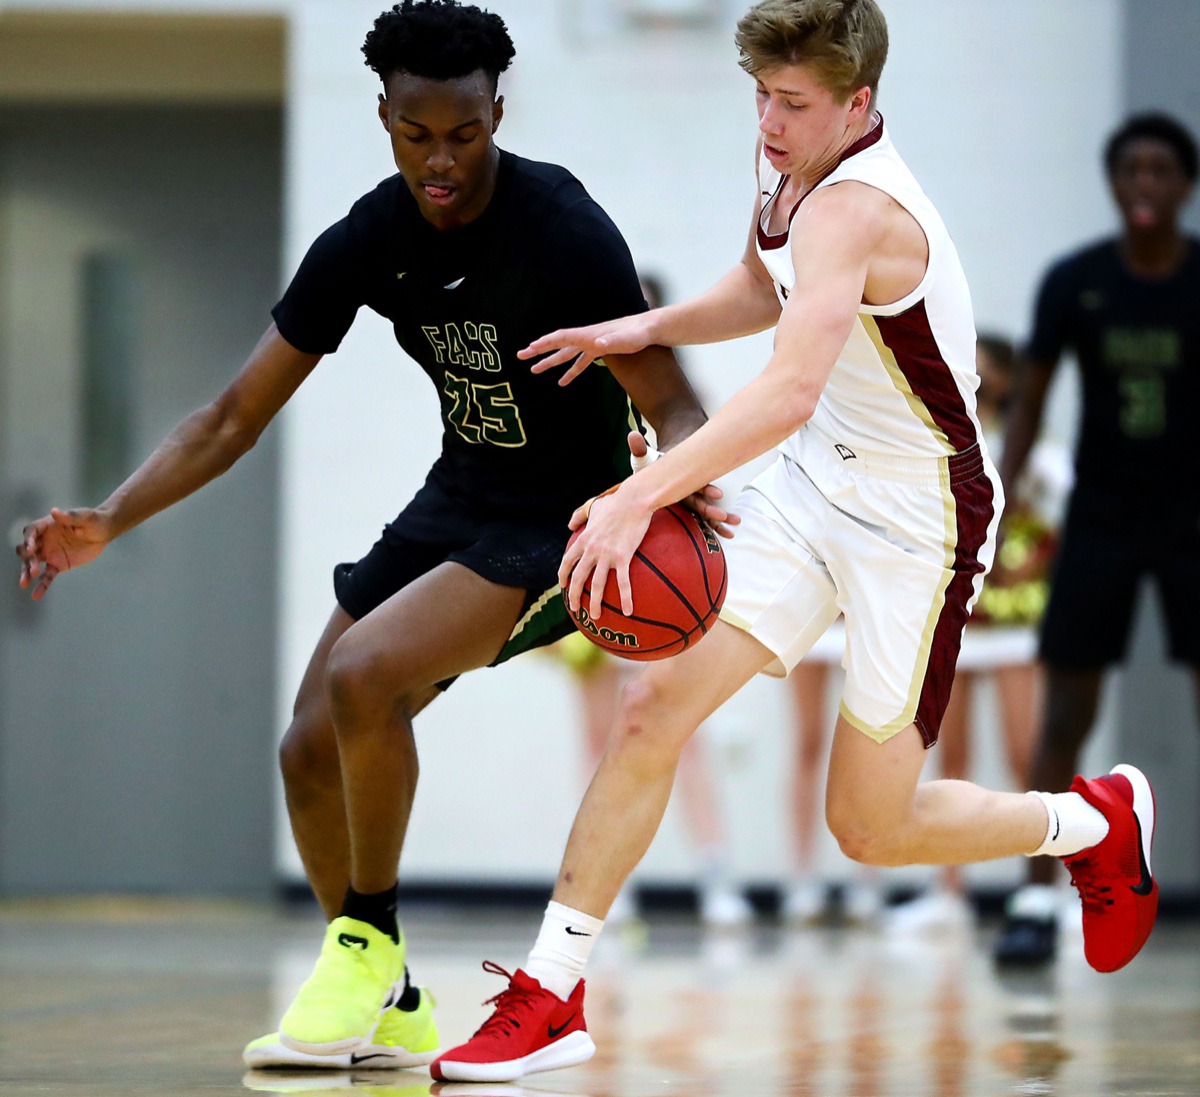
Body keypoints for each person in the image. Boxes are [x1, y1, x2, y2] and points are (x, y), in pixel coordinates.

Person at [430, 0, 1160, 1083]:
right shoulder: (790, 167)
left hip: (923, 519)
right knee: (650, 703)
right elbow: (756, 288)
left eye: (795, 103)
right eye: (761, 96)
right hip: (817, 485)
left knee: (871, 826)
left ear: (859, 104)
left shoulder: (859, 209)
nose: (769, 121)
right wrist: (642, 327)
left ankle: (1089, 820)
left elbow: (786, 389)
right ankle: (552, 991)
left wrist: (641, 496)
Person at [13, 0, 720, 1071]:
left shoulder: (563, 227)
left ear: (498, 110)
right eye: (417, 133)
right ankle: (390, 999)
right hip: (461, 492)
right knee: (307, 746)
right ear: (384, 113)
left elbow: (675, 399)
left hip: (565, 520)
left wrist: (663, 490)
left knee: (365, 671)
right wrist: (111, 516)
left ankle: (363, 937)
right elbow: (231, 417)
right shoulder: (369, 238)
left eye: (467, 133)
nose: (443, 161)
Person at [993, 112, 1199, 967]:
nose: (1144, 185)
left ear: (1184, 185)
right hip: (1104, 514)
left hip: (1193, 515)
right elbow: (1030, 399)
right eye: (1130, 171)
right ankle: (1037, 899)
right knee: (1066, 709)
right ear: (1113, 185)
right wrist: (1000, 504)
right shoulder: (1074, 280)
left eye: (1161, 171)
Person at [553, 273, 753, 931]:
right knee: (594, 741)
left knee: (675, 735)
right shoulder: (580, 394)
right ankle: (610, 889)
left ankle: (715, 874)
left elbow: (710, 494)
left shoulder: (684, 405)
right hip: (597, 581)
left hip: (666, 585)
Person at [885, 335, 1064, 934]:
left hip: (1013, 625)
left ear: (1012, 379)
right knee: (949, 755)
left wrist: (1035, 553)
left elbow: (1059, 520)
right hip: (957, 620)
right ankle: (951, 891)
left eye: (991, 370)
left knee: (1025, 754)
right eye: (973, 368)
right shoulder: (935, 439)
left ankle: (1048, 891)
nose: (981, 379)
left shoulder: (1035, 454)